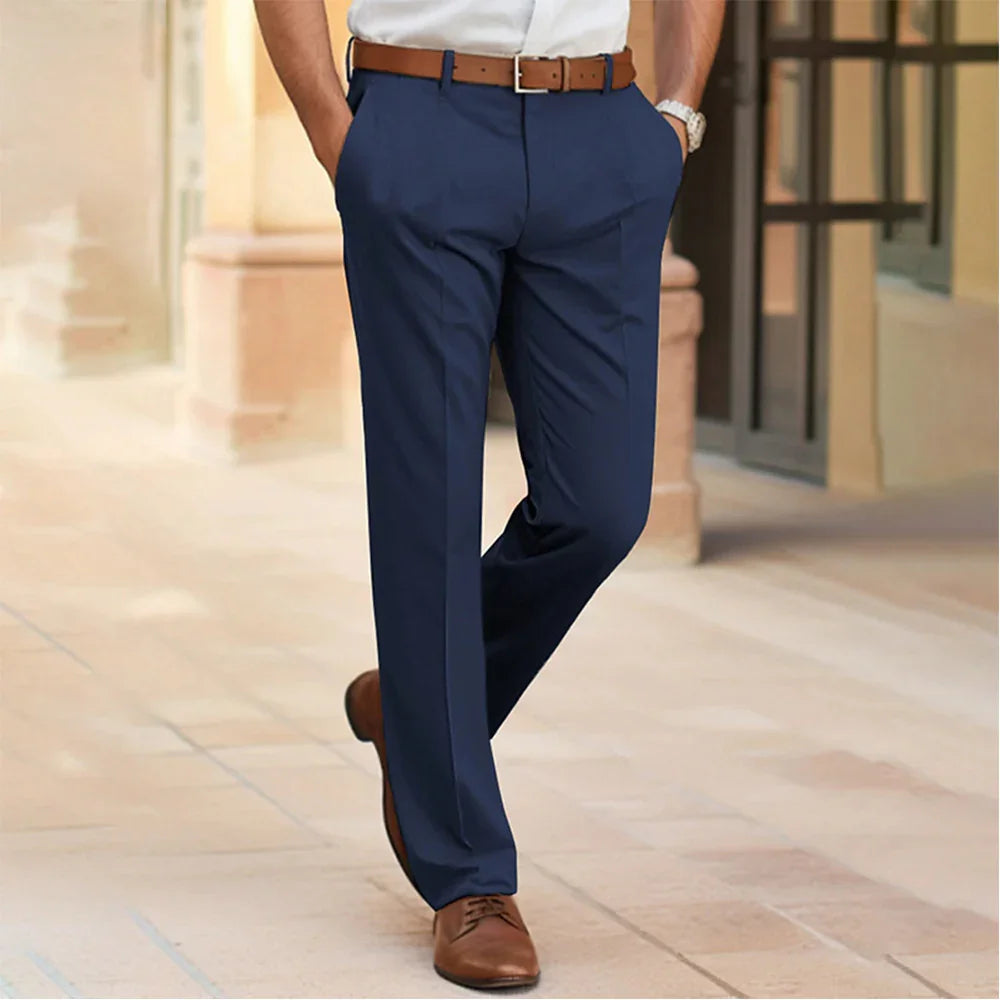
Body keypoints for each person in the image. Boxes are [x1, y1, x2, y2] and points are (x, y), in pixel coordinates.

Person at [253, 0, 724, 988]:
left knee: (601, 505)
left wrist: (675, 116)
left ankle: (411, 710)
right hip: (420, 115)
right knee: (429, 501)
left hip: (602, 130)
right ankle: (467, 874)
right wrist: (338, 140)